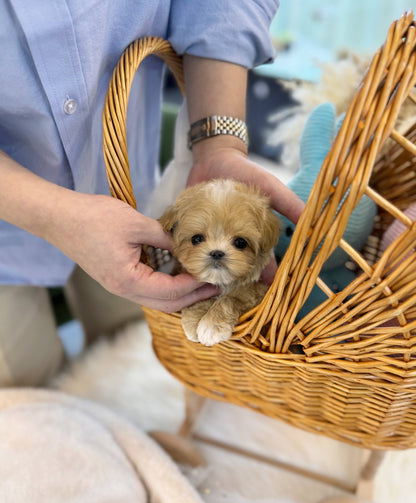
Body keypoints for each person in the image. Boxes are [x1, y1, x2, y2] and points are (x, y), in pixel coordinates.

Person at [0, 1, 304, 386]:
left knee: (130, 343)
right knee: (22, 386)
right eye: (198, 238)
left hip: (122, 188)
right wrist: (52, 214)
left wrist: (219, 142)